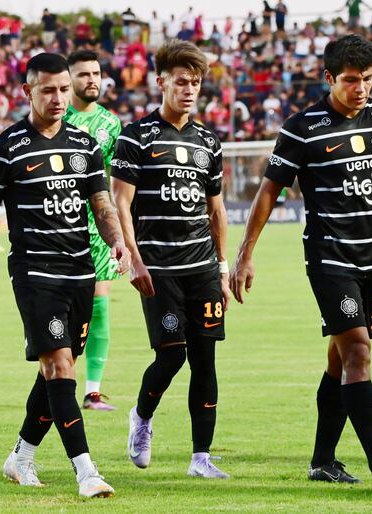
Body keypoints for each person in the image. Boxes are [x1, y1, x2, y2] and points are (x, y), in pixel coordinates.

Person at [230, 35, 372, 491]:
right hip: (329, 257)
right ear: (329, 77)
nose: (361, 89)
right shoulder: (303, 128)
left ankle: (322, 461)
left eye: (368, 80)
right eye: (352, 81)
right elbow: (269, 192)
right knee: (358, 350)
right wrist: (244, 255)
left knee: (339, 359)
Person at [0, 53, 130, 498]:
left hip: (80, 271)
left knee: (58, 370)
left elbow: (102, 205)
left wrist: (117, 239)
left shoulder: (84, 145)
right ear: (27, 91)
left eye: (63, 89)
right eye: (48, 89)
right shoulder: (5, 147)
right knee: (58, 365)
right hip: (35, 272)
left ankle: (21, 456)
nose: (57, 98)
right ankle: (86, 472)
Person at [112, 39, 230, 480]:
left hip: (200, 266)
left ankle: (201, 458)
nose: (189, 90)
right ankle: (141, 418)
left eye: (195, 83)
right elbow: (121, 204)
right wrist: (135, 260)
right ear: (161, 81)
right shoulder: (136, 137)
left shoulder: (207, 142)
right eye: (181, 82)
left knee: (205, 357)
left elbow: (215, 210)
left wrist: (221, 267)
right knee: (171, 354)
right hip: (158, 266)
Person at [63, 50, 123, 411]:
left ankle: (93, 389)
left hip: (97, 227)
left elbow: (115, 183)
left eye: (96, 73)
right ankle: (59, 380)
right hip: (60, 227)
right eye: (84, 74)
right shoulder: (56, 118)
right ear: (69, 79)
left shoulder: (110, 124)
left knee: (100, 305)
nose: (92, 80)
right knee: (66, 308)